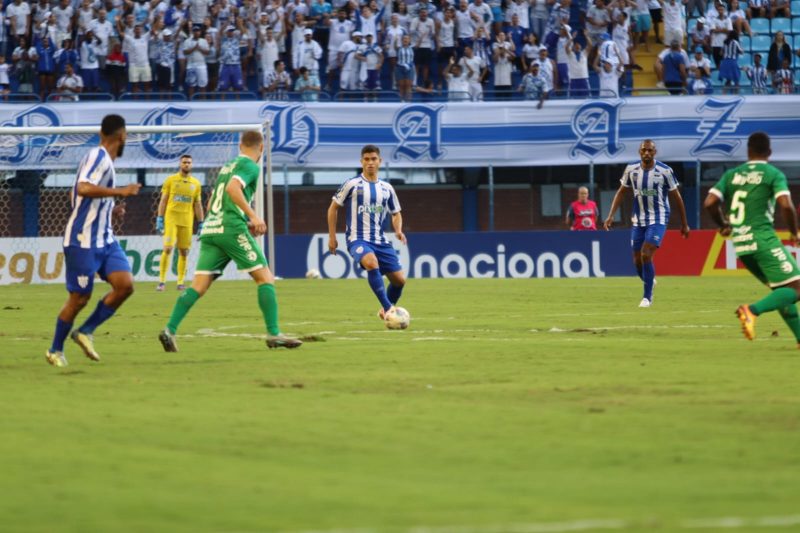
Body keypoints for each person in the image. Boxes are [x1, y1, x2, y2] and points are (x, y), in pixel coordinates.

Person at [159, 130, 302, 352]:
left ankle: (169, 329)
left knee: (198, 286)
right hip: (230, 229)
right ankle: (274, 334)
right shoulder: (250, 166)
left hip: (211, 229)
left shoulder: (228, 166)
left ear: (239, 146)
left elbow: (213, 202)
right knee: (265, 278)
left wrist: (237, 222)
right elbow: (232, 189)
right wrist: (253, 216)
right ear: (262, 148)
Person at [46, 114, 142, 367]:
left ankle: (85, 331)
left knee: (125, 285)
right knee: (79, 298)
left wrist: (110, 209)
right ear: (122, 136)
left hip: (105, 238)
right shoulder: (97, 156)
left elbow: (78, 194)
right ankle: (55, 350)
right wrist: (120, 191)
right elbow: (83, 188)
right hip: (82, 240)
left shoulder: (106, 162)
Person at [703, 132, 800, 346]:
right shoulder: (773, 174)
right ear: (770, 152)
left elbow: (710, 202)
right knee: (796, 288)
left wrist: (723, 225)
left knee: (781, 290)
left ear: (748, 151)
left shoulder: (732, 175)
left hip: (742, 244)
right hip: (763, 239)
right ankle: (751, 311)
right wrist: (794, 232)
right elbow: (785, 204)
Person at [603, 139, 690, 308]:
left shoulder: (665, 171)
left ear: (655, 152)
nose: (647, 153)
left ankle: (647, 297)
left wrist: (684, 223)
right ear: (639, 152)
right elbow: (621, 192)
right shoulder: (631, 170)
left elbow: (677, 197)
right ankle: (649, 280)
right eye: (644, 150)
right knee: (637, 260)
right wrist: (610, 215)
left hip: (658, 218)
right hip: (638, 219)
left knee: (645, 254)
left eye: (650, 150)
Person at [327, 145, 407, 322]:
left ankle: (385, 309)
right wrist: (332, 237)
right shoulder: (352, 184)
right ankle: (388, 309)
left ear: (380, 161)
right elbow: (333, 209)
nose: (370, 163)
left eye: (374, 159)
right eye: (367, 159)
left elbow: (396, 213)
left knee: (400, 281)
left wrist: (398, 230)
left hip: (380, 240)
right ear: (361, 161)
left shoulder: (387, 188)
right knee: (371, 262)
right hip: (357, 239)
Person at [156, 155, 204, 292]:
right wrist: (160, 217)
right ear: (180, 164)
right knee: (168, 248)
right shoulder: (171, 180)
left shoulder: (196, 184)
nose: (187, 164)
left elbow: (198, 204)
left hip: (187, 221)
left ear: (192, 165)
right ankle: (161, 281)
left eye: (189, 162)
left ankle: (180, 282)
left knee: (184, 251)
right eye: (184, 162)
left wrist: (201, 222)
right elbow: (163, 200)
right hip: (171, 219)